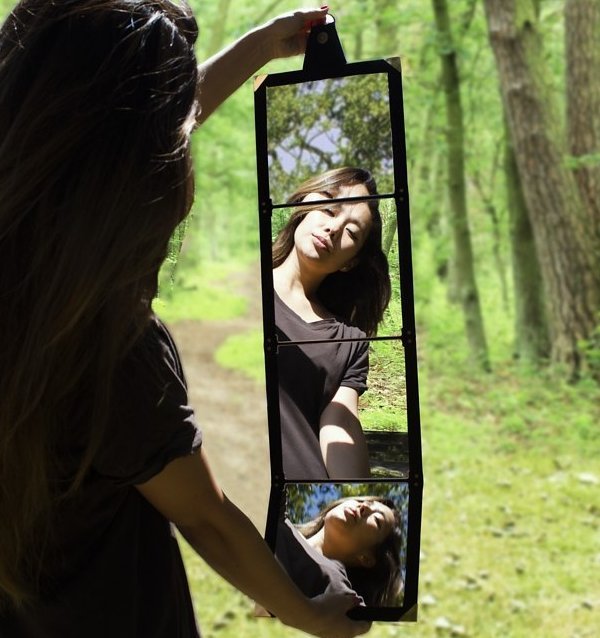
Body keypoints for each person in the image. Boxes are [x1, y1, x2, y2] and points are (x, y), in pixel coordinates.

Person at [0, 2, 371, 637]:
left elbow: (107, 133)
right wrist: (309, 612)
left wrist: (253, 51)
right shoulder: (108, 345)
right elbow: (206, 518)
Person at [272, 168, 392, 480]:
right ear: (303, 205)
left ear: (350, 262)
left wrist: (351, 494)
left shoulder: (349, 342)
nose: (334, 228)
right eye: (329, 209)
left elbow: (341, 422)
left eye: (352, 233)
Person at [276, 496, 403, 607]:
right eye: (363, 501)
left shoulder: (339, 597)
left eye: (377, 520)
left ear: (367, 558)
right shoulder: (276, 517)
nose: (363, 506)